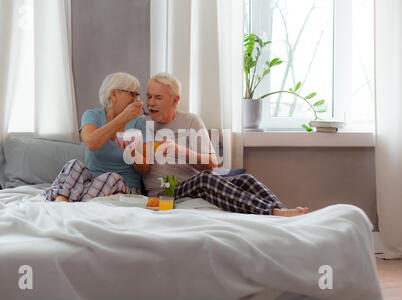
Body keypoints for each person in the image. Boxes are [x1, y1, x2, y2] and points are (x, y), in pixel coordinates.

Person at [143, 72, 309, 217]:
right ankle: (273, 212)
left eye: (158, 97)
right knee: (205, 180)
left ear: (175, 100)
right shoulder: (142, 125)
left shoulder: (190, 121)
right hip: (165, 192)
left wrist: (179, 151)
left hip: (192, 186)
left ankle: (287, 214)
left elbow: (211, 164)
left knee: (245, 179)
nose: (150, 103)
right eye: (149, 96)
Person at [44, 72, 151, 202]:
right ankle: (62, 203)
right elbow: (91, 143)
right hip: (90, 186)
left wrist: (132, 153)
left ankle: (65, 201)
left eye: (137, 95)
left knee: (111, 177)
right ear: (114, 94)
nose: (136, 99)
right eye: (132, 94)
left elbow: (145, 168)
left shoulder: (141, 123)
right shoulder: (92, 115)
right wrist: (122, 118)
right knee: (74, 164)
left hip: (125, 188)